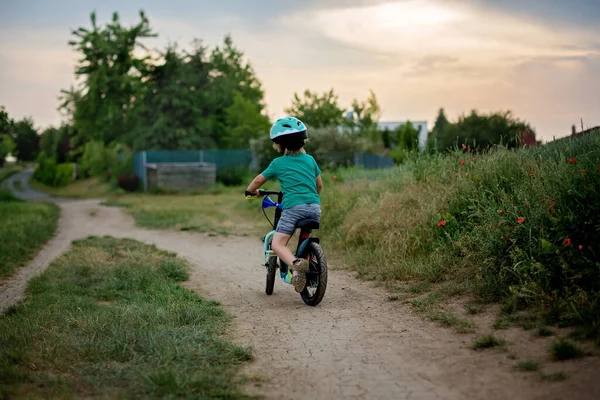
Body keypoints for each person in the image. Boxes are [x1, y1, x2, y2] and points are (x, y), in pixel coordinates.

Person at [246, 116, 323, 293]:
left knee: (278, 244)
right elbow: (319, 185)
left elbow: (258, 180)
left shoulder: (278, 163)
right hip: (314, 207)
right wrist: (311, 199)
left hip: (293, 208)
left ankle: (296, 265)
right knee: (301, 235)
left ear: (279, 144)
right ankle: (309, 261)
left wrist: (250, 191)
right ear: (303, 140)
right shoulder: (310, 160)